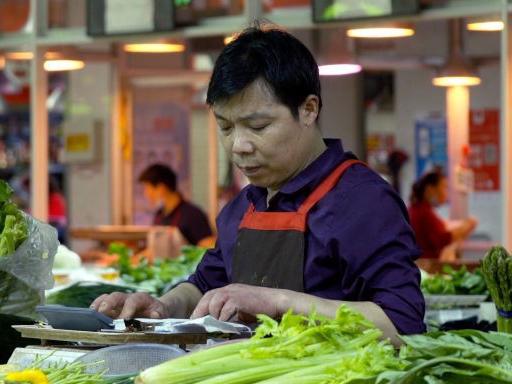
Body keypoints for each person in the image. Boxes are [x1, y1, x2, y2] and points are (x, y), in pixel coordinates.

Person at [92, 22, 425, 345]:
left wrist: (277, 302)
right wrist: (163, 307)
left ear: (308, 109)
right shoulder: (245, 205)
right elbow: (205, 283)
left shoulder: (361, 201)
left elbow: (401, 324)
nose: (239, 145)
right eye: (225, 127)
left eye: (258, 126)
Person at [408, 168, 478, 261]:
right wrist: (466, 226)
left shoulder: (414, 209)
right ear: (429, 189)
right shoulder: (424, 213)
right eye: (444, 187)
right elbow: (443, 240)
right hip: (426, 267)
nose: (446, 193)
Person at [138, 163, 215, 247]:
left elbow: (208, 247)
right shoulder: (159, 215)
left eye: (147, 189)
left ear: (161, 188)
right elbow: (153, 250)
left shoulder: (193, 215)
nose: (146, 194)